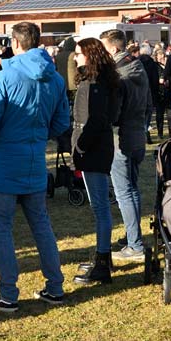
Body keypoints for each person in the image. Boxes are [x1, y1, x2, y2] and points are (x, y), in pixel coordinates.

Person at [0, 22, 69, 311]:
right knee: (41, 225)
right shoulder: (55, 79)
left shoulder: (6, 77)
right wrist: (40, 134)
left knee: (2, 228)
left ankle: (8, 294)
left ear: (16, 43)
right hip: (33, 162)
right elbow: (61, 123)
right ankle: (55, 286)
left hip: (3, 163)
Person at [69, 38, 120, 285]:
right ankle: (103, 256)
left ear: (89, 55)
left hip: (94, 150)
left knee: (99, 207)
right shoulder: (100, 81)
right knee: (99, 206)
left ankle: (102, 261)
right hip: (96, 147)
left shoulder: (95, 83)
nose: (75, 58)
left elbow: (97, 119)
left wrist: (80, 146)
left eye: (79, 54)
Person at [99, 29, 150, 263]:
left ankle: (135, 244)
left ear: (113, 49)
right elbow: (149, 103)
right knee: (132, 189)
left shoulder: (119, 74)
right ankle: (133, 235)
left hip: (122, 138)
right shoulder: (138, 67)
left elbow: (115, 111)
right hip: (138, 133)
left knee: (124, 192)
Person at [135, 43, 161, 143]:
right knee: (148, 114)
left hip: (139, 91)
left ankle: (142, 135)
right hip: (149, 91)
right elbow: (155, 80)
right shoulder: (153, 64)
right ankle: (146, 134)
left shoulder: (136, 63)